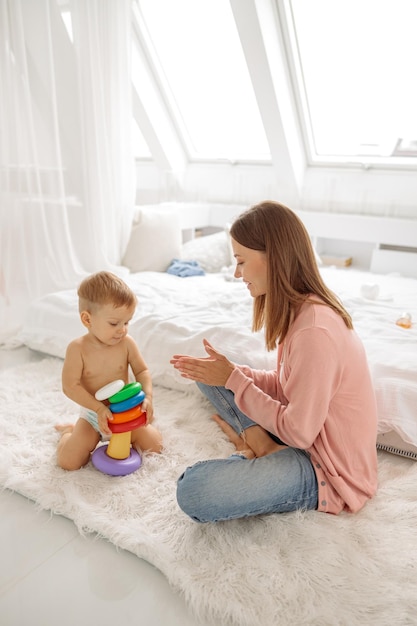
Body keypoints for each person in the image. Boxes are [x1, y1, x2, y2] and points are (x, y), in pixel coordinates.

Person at [170, 201, 378, 523]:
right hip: (307, 433)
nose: (237, 273)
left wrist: (236, 381)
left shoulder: (314, 332)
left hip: (326, 468)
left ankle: (260, 445)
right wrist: (231, 374)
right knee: (207, 375)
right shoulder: (302, 311)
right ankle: (259, 441)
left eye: (240, 261)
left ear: (273, 257)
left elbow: (299, 434)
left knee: (193, 491)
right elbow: (287, 386)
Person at [55, 271, 163, 470]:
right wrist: (98, 409)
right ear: (87, 320)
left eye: (126, 322)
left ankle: (126, 437)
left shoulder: (126, 343)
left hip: (126, 412)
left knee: (157, 447)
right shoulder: (77, 349)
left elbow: (142, 371)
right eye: (114, 323)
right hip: (93, 416)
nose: (122, 329)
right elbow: (70, 386)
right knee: (68, 462)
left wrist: (147, 397)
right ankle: (67, 433)